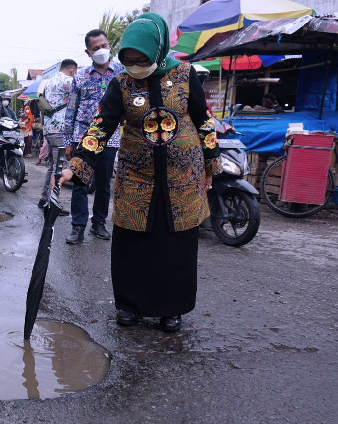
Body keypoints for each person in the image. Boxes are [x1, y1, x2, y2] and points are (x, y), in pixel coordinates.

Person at [58, 13, 221, 332]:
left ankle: (171, 309)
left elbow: (203, 120)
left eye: (140, 58)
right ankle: (130, 306)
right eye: (128, 59)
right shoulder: (120, 84)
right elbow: (101, 126)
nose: (134, 64)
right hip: (136, 178)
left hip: (182, 178)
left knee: (176, 246)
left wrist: (211, 161)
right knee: (133, 243)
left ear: (157, 50)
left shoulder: (186, 74)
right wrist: (77, 164)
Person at [63, 29, 124, 244]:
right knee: (80, 181)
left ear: (109, 45)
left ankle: (99, 222)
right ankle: (78, 226)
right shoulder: (80, 78)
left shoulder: (121, 73)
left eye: (104, 46)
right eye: (95, 48)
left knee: (104, 182)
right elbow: (71, 110)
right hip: (83, 137)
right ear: (88, 52)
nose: (101, 50)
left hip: (111, 137)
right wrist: (68, 142)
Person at [38, 59, 77, 211]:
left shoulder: (49, 82)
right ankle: (52, 203)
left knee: (52, 167)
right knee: (59, 167)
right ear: (72, 70)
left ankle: (44, 199)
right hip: (60, 129)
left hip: (48, 129)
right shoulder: (68, 81)